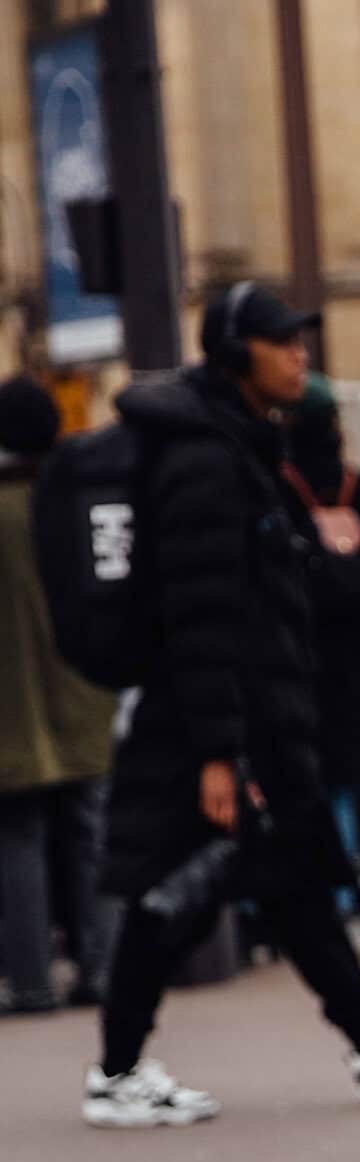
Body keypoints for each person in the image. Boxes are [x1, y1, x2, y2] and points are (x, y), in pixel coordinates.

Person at [83, 282, 360, 1127]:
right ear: (234, 351)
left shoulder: (238, 444)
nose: (299, 356)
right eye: (281, 341)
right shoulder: (205, 459)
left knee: (290, 887)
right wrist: (219, 751)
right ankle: (115, 1070)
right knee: (167, 899)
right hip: (214, 727)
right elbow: (200, 610)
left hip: (249, 720)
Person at [0, 376, 117, 1013]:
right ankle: (101, 968)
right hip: (84, 688)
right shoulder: (75, 498)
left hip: (11, 702)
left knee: (18, 840)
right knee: (90, 834)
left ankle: (31, 981)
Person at [283, 374, 360, 883]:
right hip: (355, 644)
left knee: (314, 763)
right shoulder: (353, 482)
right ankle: (359, 854)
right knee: (357, 757)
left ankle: (329, 871)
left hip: (306, 643)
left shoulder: (283, 480)